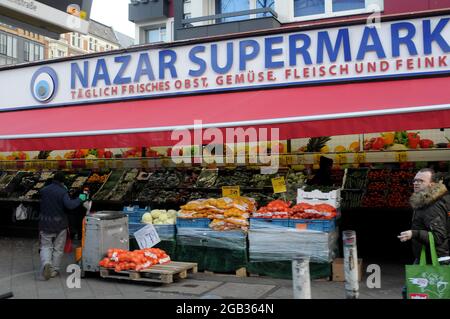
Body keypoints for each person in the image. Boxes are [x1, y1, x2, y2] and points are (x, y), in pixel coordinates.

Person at [39, 172, 85, 280]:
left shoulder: (44, 190)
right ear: (63, 182)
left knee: (46, 246)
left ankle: (46, 263)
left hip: (45, 223)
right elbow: (70, 205)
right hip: (60, 224)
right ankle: (54, 270)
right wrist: (80, 199)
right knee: (58, 248)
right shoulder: (63, 191)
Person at [398, 168, 450, 265]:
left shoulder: (433, 205)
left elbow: (438, 237)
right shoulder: (424, 201)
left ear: (432, 184)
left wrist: (414, 233)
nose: (416, 183)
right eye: (415, 180)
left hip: (436, 260)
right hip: (428, 256)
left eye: (421, 181)